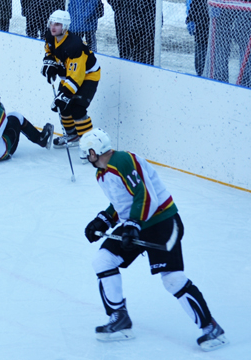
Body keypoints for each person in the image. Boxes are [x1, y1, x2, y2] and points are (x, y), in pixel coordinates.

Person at [78, 128, 227, 351]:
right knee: (103, 260)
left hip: (163, 222)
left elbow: (146, 195)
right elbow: (124, 202)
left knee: (172, 279)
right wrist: (104, 219)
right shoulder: (103, 173)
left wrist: (133, 225)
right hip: (137, 224)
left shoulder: (122, 160)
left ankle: (211, 328)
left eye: (86, 152)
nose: (85, 157)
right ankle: (119, 319)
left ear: (94, 151)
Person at [42, 10, 100, 148]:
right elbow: (49, 52)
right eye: (51, 23)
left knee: (77, 109)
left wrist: (65, 95)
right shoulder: (50, 37)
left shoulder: (75, 46)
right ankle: (72, 135)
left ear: (65, 26)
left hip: (88, 75)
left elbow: (77, 76)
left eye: (57, 24)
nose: (53, 27)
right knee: (63, 107)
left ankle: (90, 144)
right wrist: (50, 65)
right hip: (69, 75)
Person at [187, 0, 240, 78]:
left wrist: (223, 13)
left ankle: (221, 81)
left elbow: (235, 7)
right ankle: (201, 78)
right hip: (202, 30)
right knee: (201, 60)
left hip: (221, 32)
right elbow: (194, 4)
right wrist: (190, 20)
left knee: (220, 62)